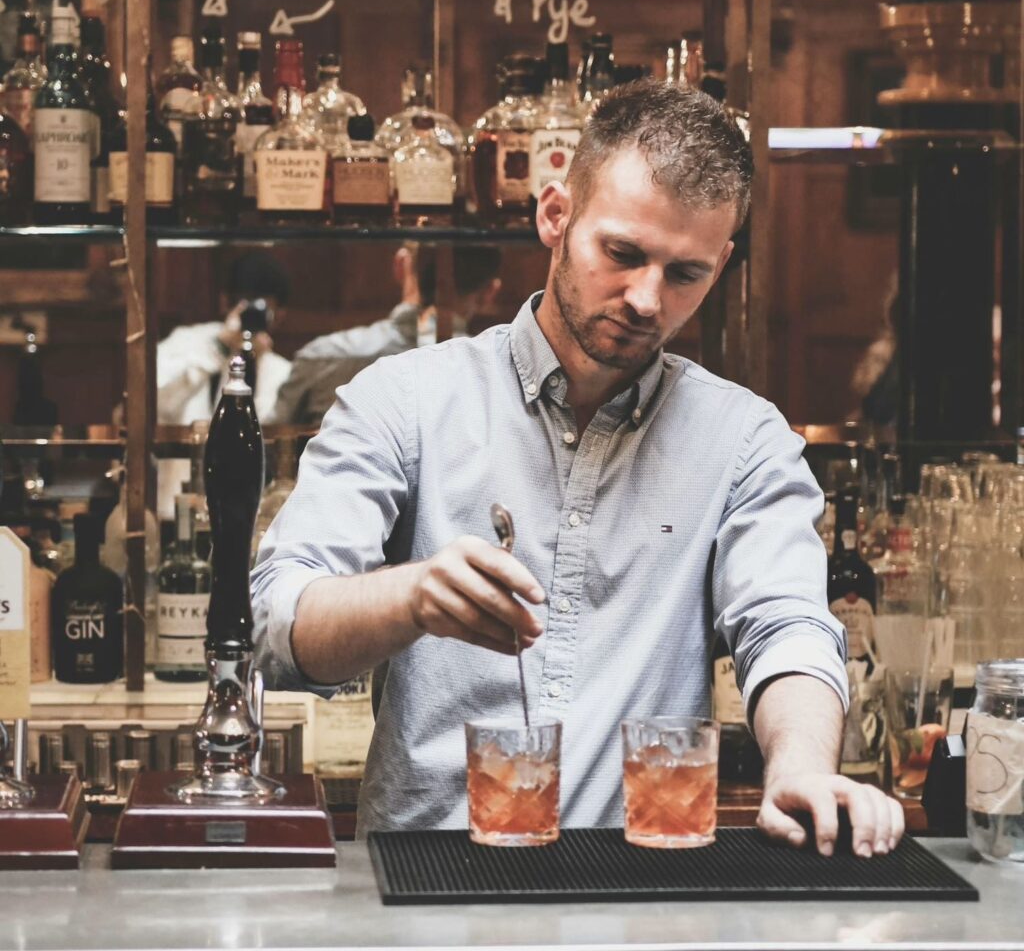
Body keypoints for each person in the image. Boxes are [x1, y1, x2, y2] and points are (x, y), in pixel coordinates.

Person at [252, 79, 904, 856]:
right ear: (555, 214)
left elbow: (788, 626)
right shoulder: (406, 400)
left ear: (723, 264)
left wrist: (799, 763)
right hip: (425, 899)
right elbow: (274, 627)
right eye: (622, 254)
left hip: (641, 899)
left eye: (686, 273)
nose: (646, 298)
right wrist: (411, 596)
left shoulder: (744, 441)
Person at [271, 243, 502, 426]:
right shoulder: (498, 375)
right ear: (490, 292)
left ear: (401, 264)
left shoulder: (321, 356)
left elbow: (268, 450)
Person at [157, 251, 291, 516]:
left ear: (280, 314)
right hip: (177, 510)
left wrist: (254, 359)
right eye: (243, 304)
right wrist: (219, 348)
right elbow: (155, 400)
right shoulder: (187, 343)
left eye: (263, 308)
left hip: (253, 515)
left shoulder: (281, 372)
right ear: (224, 302)